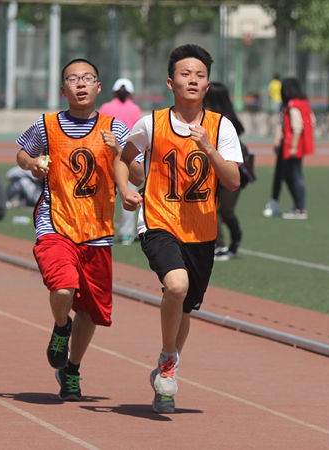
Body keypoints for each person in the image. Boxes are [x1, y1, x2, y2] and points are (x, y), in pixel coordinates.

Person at [114, 44, 242, 413]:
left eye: (200, 75)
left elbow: (233, 180)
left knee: (185, 308)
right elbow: (123, 159)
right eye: (185, 74)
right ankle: (169, 360)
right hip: (158, 221)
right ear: (171, 82)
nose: (193, 80)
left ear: (207, 85)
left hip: (201, 230)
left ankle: (167, 362)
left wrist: (208, 148)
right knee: (175, 284)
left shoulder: (221, 127)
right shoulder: (151, 124)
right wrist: (124, 189)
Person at [15, 58, 143, 402]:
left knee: (90, 310)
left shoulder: (115, 128)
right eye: (73, 79)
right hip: (56, 222)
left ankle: (71, 370)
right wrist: (33, 163)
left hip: (97, 230)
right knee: (63, 288)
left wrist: (120, 156)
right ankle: (61, 327)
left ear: (99, 87)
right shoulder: (46, 125)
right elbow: (22, 155)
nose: (81, 84)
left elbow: (138, 174)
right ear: (63, 89)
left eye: (88, 78)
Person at [203, 82, 256, 261]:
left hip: (232, 169)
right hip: (212, 170)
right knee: (212, 208)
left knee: (226, 211)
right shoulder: (205, 116)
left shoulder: (225, 120)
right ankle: (219, 245)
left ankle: (236, 237)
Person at [263, 78, 315, 220]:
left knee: (295, 176)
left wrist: (293, 146)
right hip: (294, 145)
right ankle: (296, 206)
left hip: (291, 146)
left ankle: (300, 208)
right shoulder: (303, 103)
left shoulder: (292, 105)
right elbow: (311, 121)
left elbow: (297, 126)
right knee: (289, 174)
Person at [100, 77, 143, 245]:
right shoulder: (135, 109)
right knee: (129, 195)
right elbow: (137, 133)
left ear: (114, 92)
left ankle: (101, 229)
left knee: (104, 195)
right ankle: (126, 234)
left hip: (107, 156)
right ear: (130, 93)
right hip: (129, 157)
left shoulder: (106, 107)